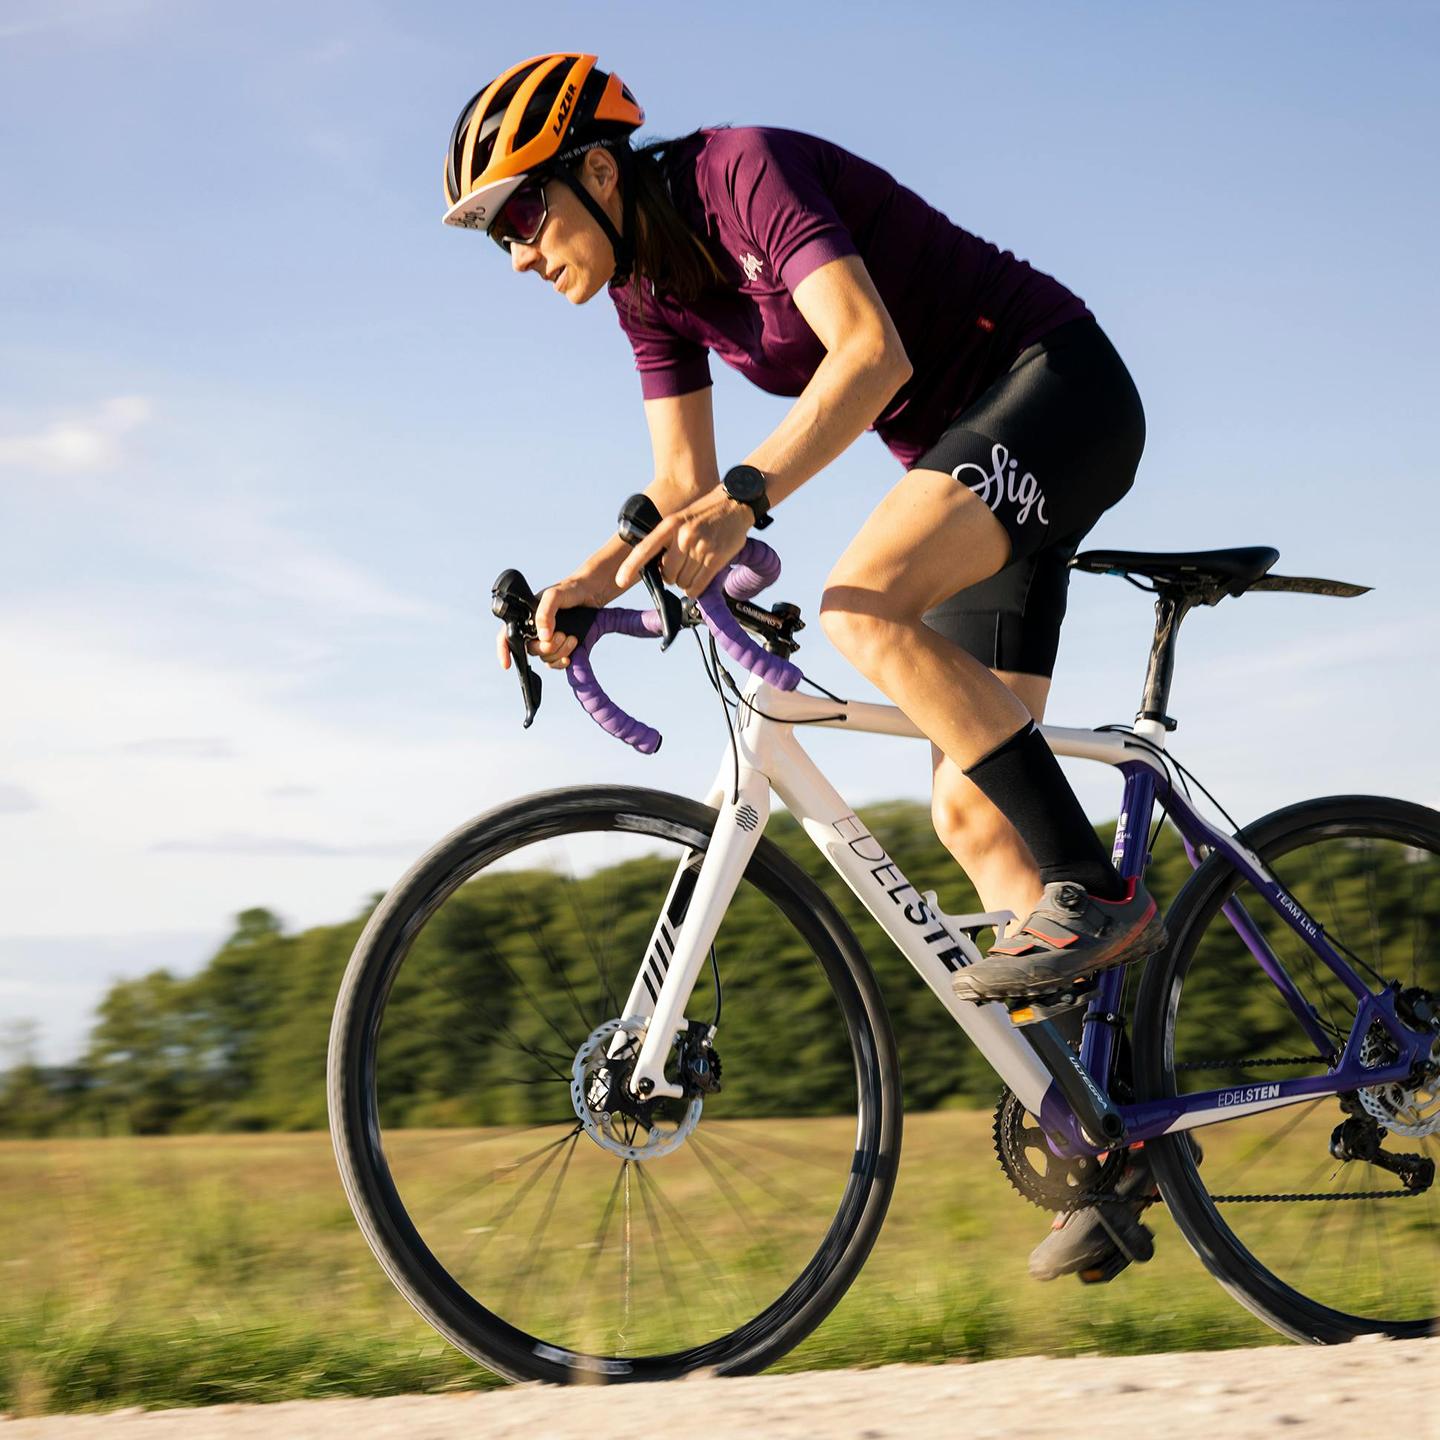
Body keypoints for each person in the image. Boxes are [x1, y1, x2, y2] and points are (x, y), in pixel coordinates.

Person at [448, 53, 1165, 1283]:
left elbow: (868, 354)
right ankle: (1118, 1131)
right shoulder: (648, 290)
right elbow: (678, 489)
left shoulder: (742, 173)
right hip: (963, 454)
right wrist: (589, 583)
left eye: (525, 213)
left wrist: (753, 496)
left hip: (1056, 389)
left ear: (600, 172)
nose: (519, 252)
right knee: (970, 811)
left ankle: (1101, 891)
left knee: (859, 601)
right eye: (497, 236)